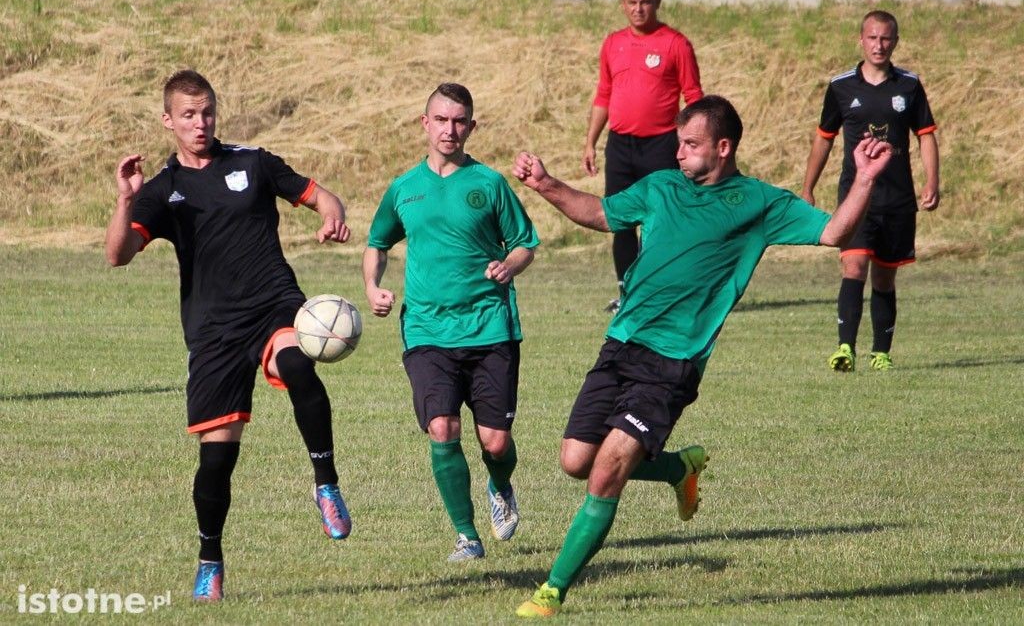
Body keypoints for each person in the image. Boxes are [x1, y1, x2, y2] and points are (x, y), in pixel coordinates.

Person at [511, 95, 893, 618]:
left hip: (675, 361)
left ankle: (551, 591)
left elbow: (833, 233)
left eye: (690, 146)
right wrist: (546, 184)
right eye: (679, 144)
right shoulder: (662, 187)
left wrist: (865, 179)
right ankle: (677, 470)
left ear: (723, 147)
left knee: (606, 474)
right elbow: (602, 214)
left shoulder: (758, 203)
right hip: (621, 343)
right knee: (576, 461)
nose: (680, 155)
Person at [105, 70, 353, 602]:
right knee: (216, 463)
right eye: (189, 115)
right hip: (213, 332)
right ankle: (210, 558)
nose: (201, 123)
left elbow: (321, 197)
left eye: (208, 112)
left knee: (298, 365)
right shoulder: (164, 190)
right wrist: (126, 199)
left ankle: (326, 484)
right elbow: (117, 254)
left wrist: (332, 216)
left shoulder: (253, 162)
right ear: (168, 121)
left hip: (273, 304)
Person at [363, 83, 539, 562]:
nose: (450, 129)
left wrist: (511, 265)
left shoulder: (489, 183)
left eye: (459, 121)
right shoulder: (404, 188)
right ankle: (467, 536)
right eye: (441, 119)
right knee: (442, 427)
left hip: (490, 326)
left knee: (495, 442)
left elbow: (525, 241)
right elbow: (377, 243)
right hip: (426, 329)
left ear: (471, 127)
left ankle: (500, 486)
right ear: (425, 123)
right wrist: (373, 287)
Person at [802, 9, 940, 372]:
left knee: (884, 274)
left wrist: (932, 182)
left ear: (895, 41)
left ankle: (881, 352)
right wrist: (808, 187)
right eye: (873, 38)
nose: (879, 45)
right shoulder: (841, 87)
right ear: (860, 40)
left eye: (886, 38)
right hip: (856, 196)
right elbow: (823, 139)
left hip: (897, 197)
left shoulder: (909, 86)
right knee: (854, 265)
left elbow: (926, 136)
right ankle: (845, 348)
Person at [583, 0, 704, 313]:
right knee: (620, 221)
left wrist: (692, 142)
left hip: (661, 144)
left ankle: (662, 292)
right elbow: (604, 94)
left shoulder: (675, 43)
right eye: (632, 3)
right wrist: (590, 141)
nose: (639, 9)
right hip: (620, 146)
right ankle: (627, 292)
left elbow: (693, 95)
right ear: (623, 5)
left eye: (645, 2)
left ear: (657, 3)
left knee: (660, 221)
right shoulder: (613, 43)